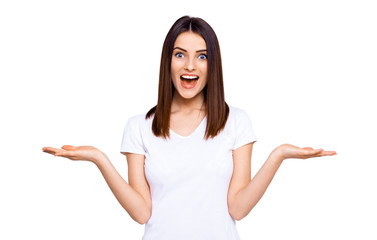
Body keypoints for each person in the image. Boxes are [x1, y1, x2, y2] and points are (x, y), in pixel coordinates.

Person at [42, 16, 336, 240]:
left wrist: (278, 156)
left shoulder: (236, 122)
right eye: (180, 54)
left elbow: (238, 208)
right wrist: (99, 159)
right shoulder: (139, 127)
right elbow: (142, 212)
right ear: (168, 62)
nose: (190, 66)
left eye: (202, 56)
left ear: (213, 65)